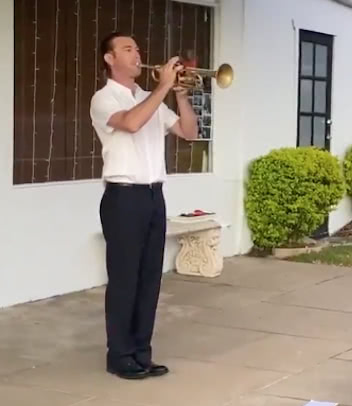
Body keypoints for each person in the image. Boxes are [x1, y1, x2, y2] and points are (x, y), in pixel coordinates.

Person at [90, 32, 198, 380]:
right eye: (127, 49)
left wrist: (179, 94)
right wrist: (163, 88)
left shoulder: (148, 97)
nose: (137, 54)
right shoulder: (104, 98)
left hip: (154, 196)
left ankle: (141, 352)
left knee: (150, 279)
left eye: (137, 48)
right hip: (124, 197)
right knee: (124, 280)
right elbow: (133, 123)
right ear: (110, 59)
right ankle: (118, 355)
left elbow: (188, 132)